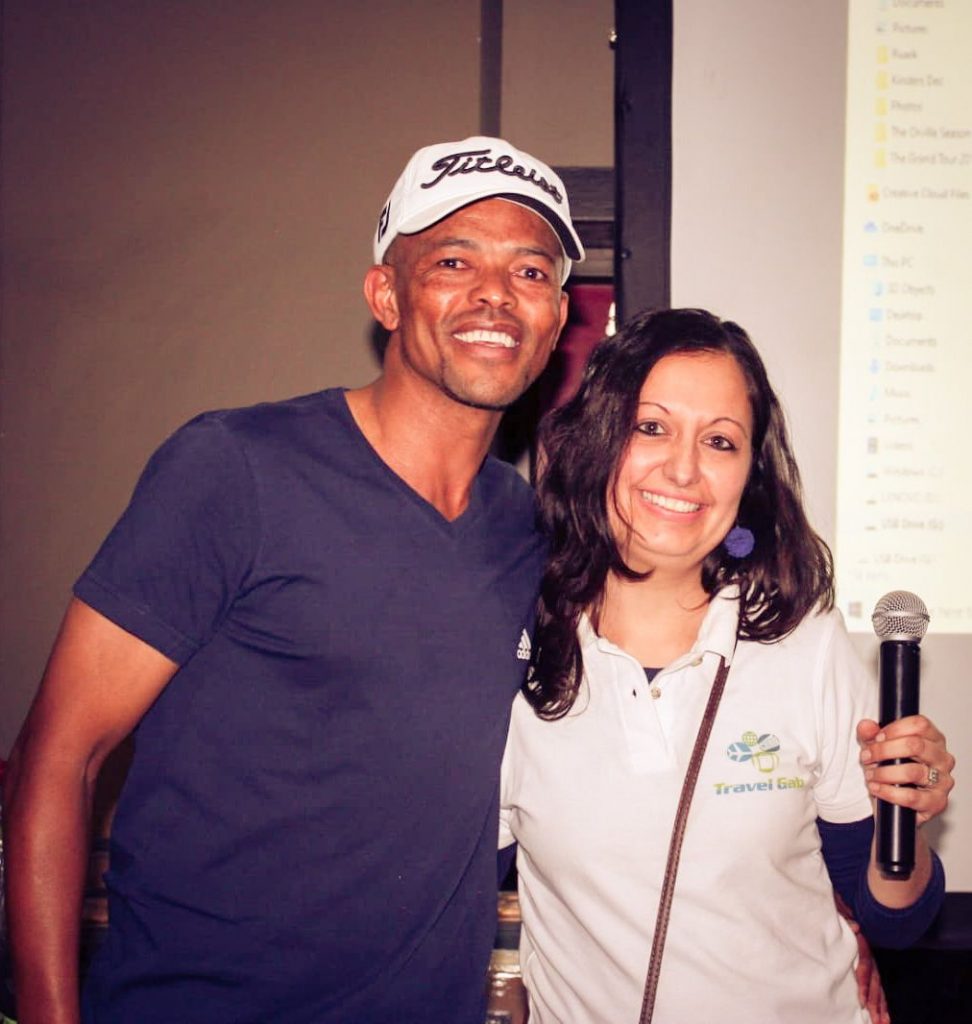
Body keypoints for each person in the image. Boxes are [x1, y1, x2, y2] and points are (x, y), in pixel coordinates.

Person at [2, 136, 583, 1024]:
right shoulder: (236, 469)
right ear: (386, 295)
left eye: (531, 271)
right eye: (453, 261)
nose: (496, 294)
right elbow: (58, 755)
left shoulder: (531, 531)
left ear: (557, 317)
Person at [500, 308, 953, 1023]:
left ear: (750, 474)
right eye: (651, 427)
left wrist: (908, 823)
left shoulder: (805, 642)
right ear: (596, 440)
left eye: (720, 441)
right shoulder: (513, 654)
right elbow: (447, 898)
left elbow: (893, 918)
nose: (683, 469)